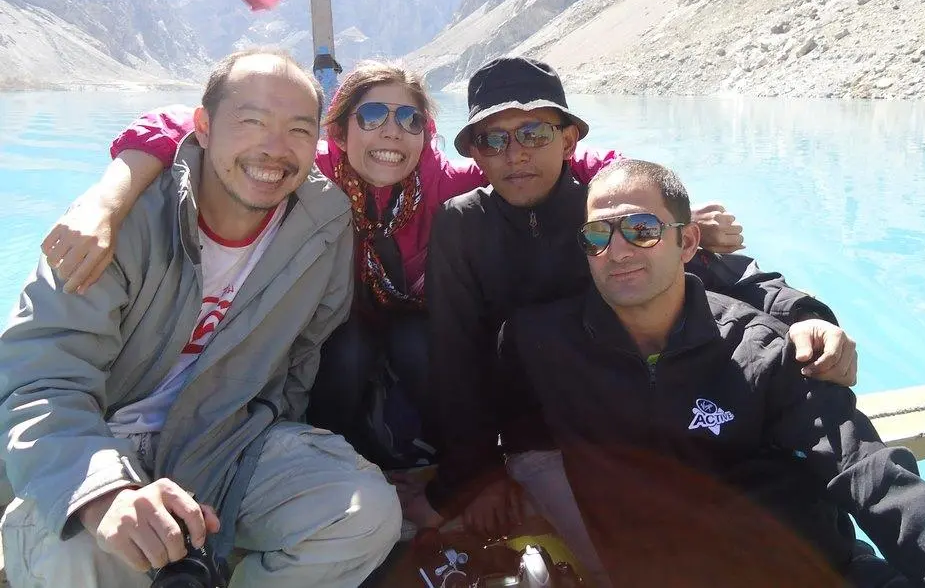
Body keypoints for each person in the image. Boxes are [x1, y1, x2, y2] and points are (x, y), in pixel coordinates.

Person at [38, 61, 744, 467]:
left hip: (412, 321)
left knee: (418, 344)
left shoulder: (443, 179)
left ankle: (427, 457)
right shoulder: (305, 167)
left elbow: (578, 159)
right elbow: (178, 126)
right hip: (335, 325)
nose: (390, 133)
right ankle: (335, 457)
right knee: (343, 351)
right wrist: (108, 198)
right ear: (340, 128)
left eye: (409, 120)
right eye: (373, 116)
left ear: (426, 136)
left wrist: (657, 208)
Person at [404, 57, 857, 584]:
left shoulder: (603, 216)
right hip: (537, 438)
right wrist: (476, 478)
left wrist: (805, 316)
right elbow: (457, 356)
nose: (516, 153)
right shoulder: (462, 225)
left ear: (568, 139)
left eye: (533, 132)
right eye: (493, 140)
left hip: (626, 425)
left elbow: (722, 274)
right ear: (476, 154)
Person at [0, 48, 401, 588]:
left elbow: (304, 352)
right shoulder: (116, 224)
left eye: (298, 130)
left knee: (363, 512)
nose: (275, 148)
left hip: (227, 442)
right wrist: (104, 494)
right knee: (80, 554)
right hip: (100, 441)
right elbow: (40, 379)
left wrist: (271, 424)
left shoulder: (322, 223)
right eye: (252, 121)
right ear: (204, 128)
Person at [501, 158, 925, 587]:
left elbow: (867, 472)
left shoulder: (762, 350)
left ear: (688, 242)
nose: (618, 250)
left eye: (642, 229)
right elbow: (514, 431)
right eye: (597, 234)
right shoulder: (541, 344)